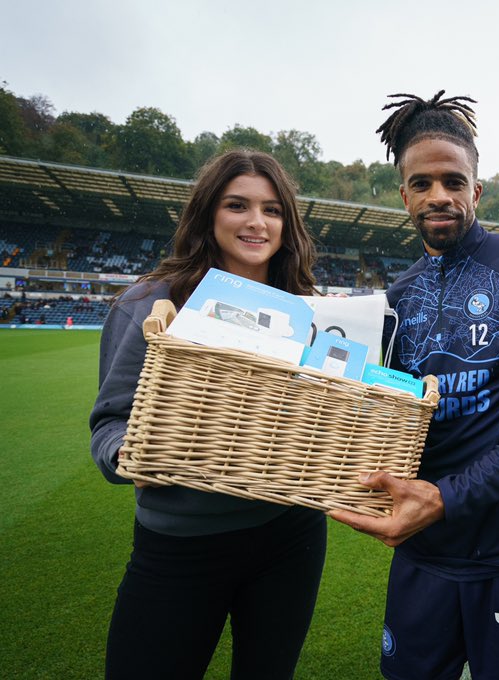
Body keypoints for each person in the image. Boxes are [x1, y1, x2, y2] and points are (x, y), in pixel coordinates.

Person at [328, 91, 499, 680]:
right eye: (422, 183)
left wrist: (446, 498)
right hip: (423, 550)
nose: (438, 195)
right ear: (403, 195)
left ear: (477, 188)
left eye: (453, 180)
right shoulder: (395, 298)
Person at [89, 150, 326, 679]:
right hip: (180, 540)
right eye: (236, 205)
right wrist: (124, 453)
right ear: (208, 214)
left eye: (272, 209)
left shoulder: (311, 310)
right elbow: (109, 422)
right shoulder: (151, 302)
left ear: (287, 223)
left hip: (290, 531)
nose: (256, 222)